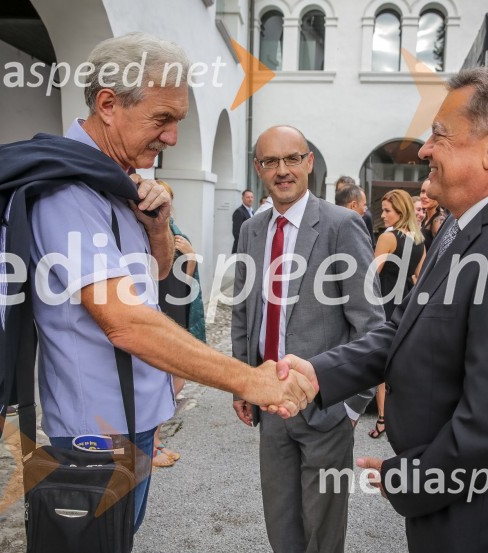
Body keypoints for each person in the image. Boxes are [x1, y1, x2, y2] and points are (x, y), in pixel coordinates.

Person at [0, 33, 317, 538]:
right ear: (108, 105)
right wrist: (251, 380)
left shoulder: (112, 177)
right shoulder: (68, 191)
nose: (173, 137)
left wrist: (158, 227)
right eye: (163, 119)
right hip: (99, 433)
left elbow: (154, 279)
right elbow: (127, 323)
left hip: (136, 420)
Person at [278, 67, 488, 552]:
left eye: (439, 135)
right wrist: (318, 373)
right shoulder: (462, 226)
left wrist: (411, 479)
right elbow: (403, 330)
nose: (424, 150)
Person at [232, 125, 383, 553]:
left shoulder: (342, 225)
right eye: (270, 162)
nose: (282, 170)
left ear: (309, 163)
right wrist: (243, 382)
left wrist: (352, 407)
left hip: (325, 408)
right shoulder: (252, 231)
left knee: (323, 531)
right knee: (281, 524)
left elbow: (371, 323)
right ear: (258, 168)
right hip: (269, 404)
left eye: (292, 159)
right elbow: (245, 312)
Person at [151, 181, 206, 467]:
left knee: (175, 380)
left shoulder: (176, 232)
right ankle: (151, 444)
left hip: (177, 309)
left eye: (168, 200)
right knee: (162, 381)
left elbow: (188, 278)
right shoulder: (150, 231)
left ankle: (154, 441)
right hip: (159, 310)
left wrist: (191, 257)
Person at [369, 189, 425, 440]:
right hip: (409, 303)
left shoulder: (389, 237)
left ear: (401, 212)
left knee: (382, 361)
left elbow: (371, 275)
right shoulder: (419, 239)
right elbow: (419, 277)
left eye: (387, 210)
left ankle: (383, 418)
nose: (383, 215)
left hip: (385, 303)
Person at [337, 176, 375, 247]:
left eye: (346, 190)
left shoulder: (366, 216)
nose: (342, 193)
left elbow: (369, 244)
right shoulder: (330, 215)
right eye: (339, 190)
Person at [419, 178, 445, 251]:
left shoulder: (438, 220)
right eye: (423, 191)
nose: (424, 196)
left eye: (429, 193)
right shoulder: (426, 218)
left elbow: (442, 251)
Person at [232, 189, 254, 253]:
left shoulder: (251, 211)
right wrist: (244, 247)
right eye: (248, 197)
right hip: (242, 249)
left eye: (251, 197)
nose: (250, 199)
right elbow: (236, 233)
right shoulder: (239, 212)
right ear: (242, 198)